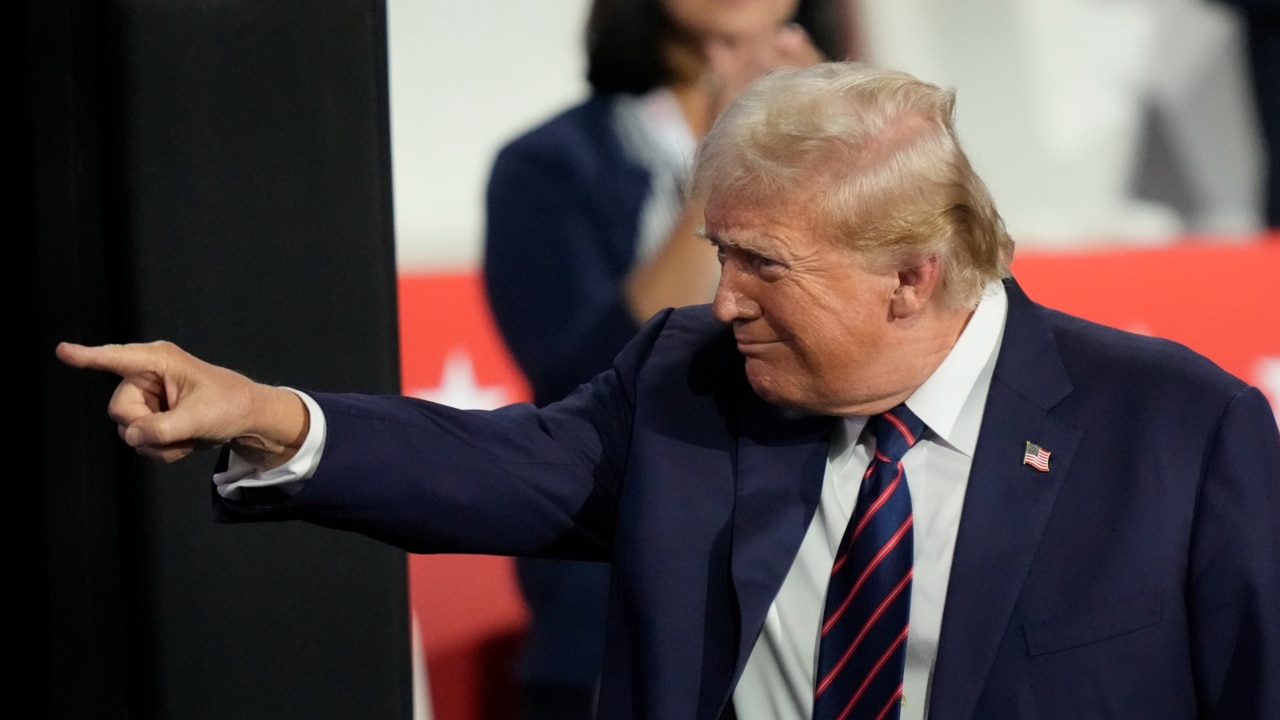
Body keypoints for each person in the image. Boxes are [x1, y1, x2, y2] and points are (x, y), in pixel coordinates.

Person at [59, 63, 1279, 720]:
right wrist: (269, 412)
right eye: (718, 254)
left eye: (762, 264)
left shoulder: (1176, 432)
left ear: (911, 278)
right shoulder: (690, 379)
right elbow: (498, 471)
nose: (725, 299)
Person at [482, 1, 841, 715]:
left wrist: (833, 140)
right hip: (619, 615)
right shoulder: (550, 164)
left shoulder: (876, 137)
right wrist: (730, 162)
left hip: (829, 603)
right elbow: (578, 381)